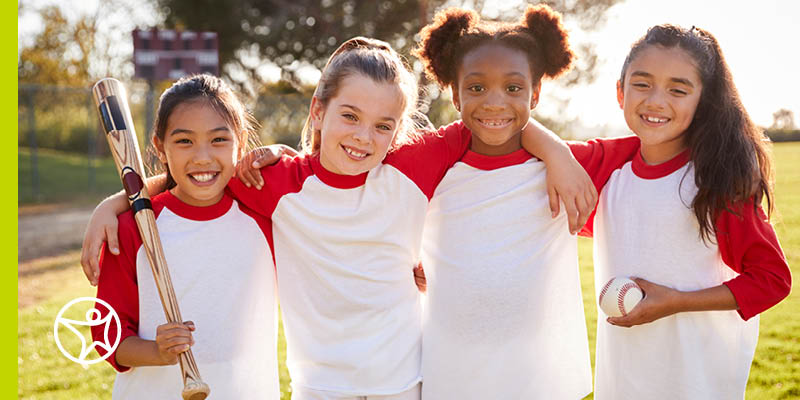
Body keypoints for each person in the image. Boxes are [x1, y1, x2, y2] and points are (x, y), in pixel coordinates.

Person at [83, 37, 595, 400]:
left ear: (398, 130)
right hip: (320, 387)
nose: (363, 138)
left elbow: (487, 120)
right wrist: (121, 202)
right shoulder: (276, 181)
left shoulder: (411, 167)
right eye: (349, 116)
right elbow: (201, 172)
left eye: (383, 125)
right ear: (318, 111)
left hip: (405, 381)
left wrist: (556, 151)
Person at [410, 5, 642, 399]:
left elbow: (663, 149)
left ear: (535, 94)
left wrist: (556, 152)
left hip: (538, 377)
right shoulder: (433, 161)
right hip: (451, 371)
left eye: (513, 88)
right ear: (455, 94)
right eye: (476, 88)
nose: (494, 102)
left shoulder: (572, 166)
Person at [586, 24, 791, 399]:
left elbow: (771, 279)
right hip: (624, 380)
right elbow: (521, 142)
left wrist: (677, 302)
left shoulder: (715, 181)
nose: (655, 101)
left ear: (703, 101)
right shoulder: (609, 167)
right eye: (642, 84)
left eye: (678, 90)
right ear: (620, 91)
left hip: (696, 381)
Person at [91, 74, 280, 399]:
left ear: (241, 140)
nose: (202, 156)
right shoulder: (131, 228)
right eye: (184, 141)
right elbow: (107, 337)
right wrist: (156, 351)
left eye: (219, 139)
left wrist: (278, 150)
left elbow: (315, 169)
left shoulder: (265, 213)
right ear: (160, 148)